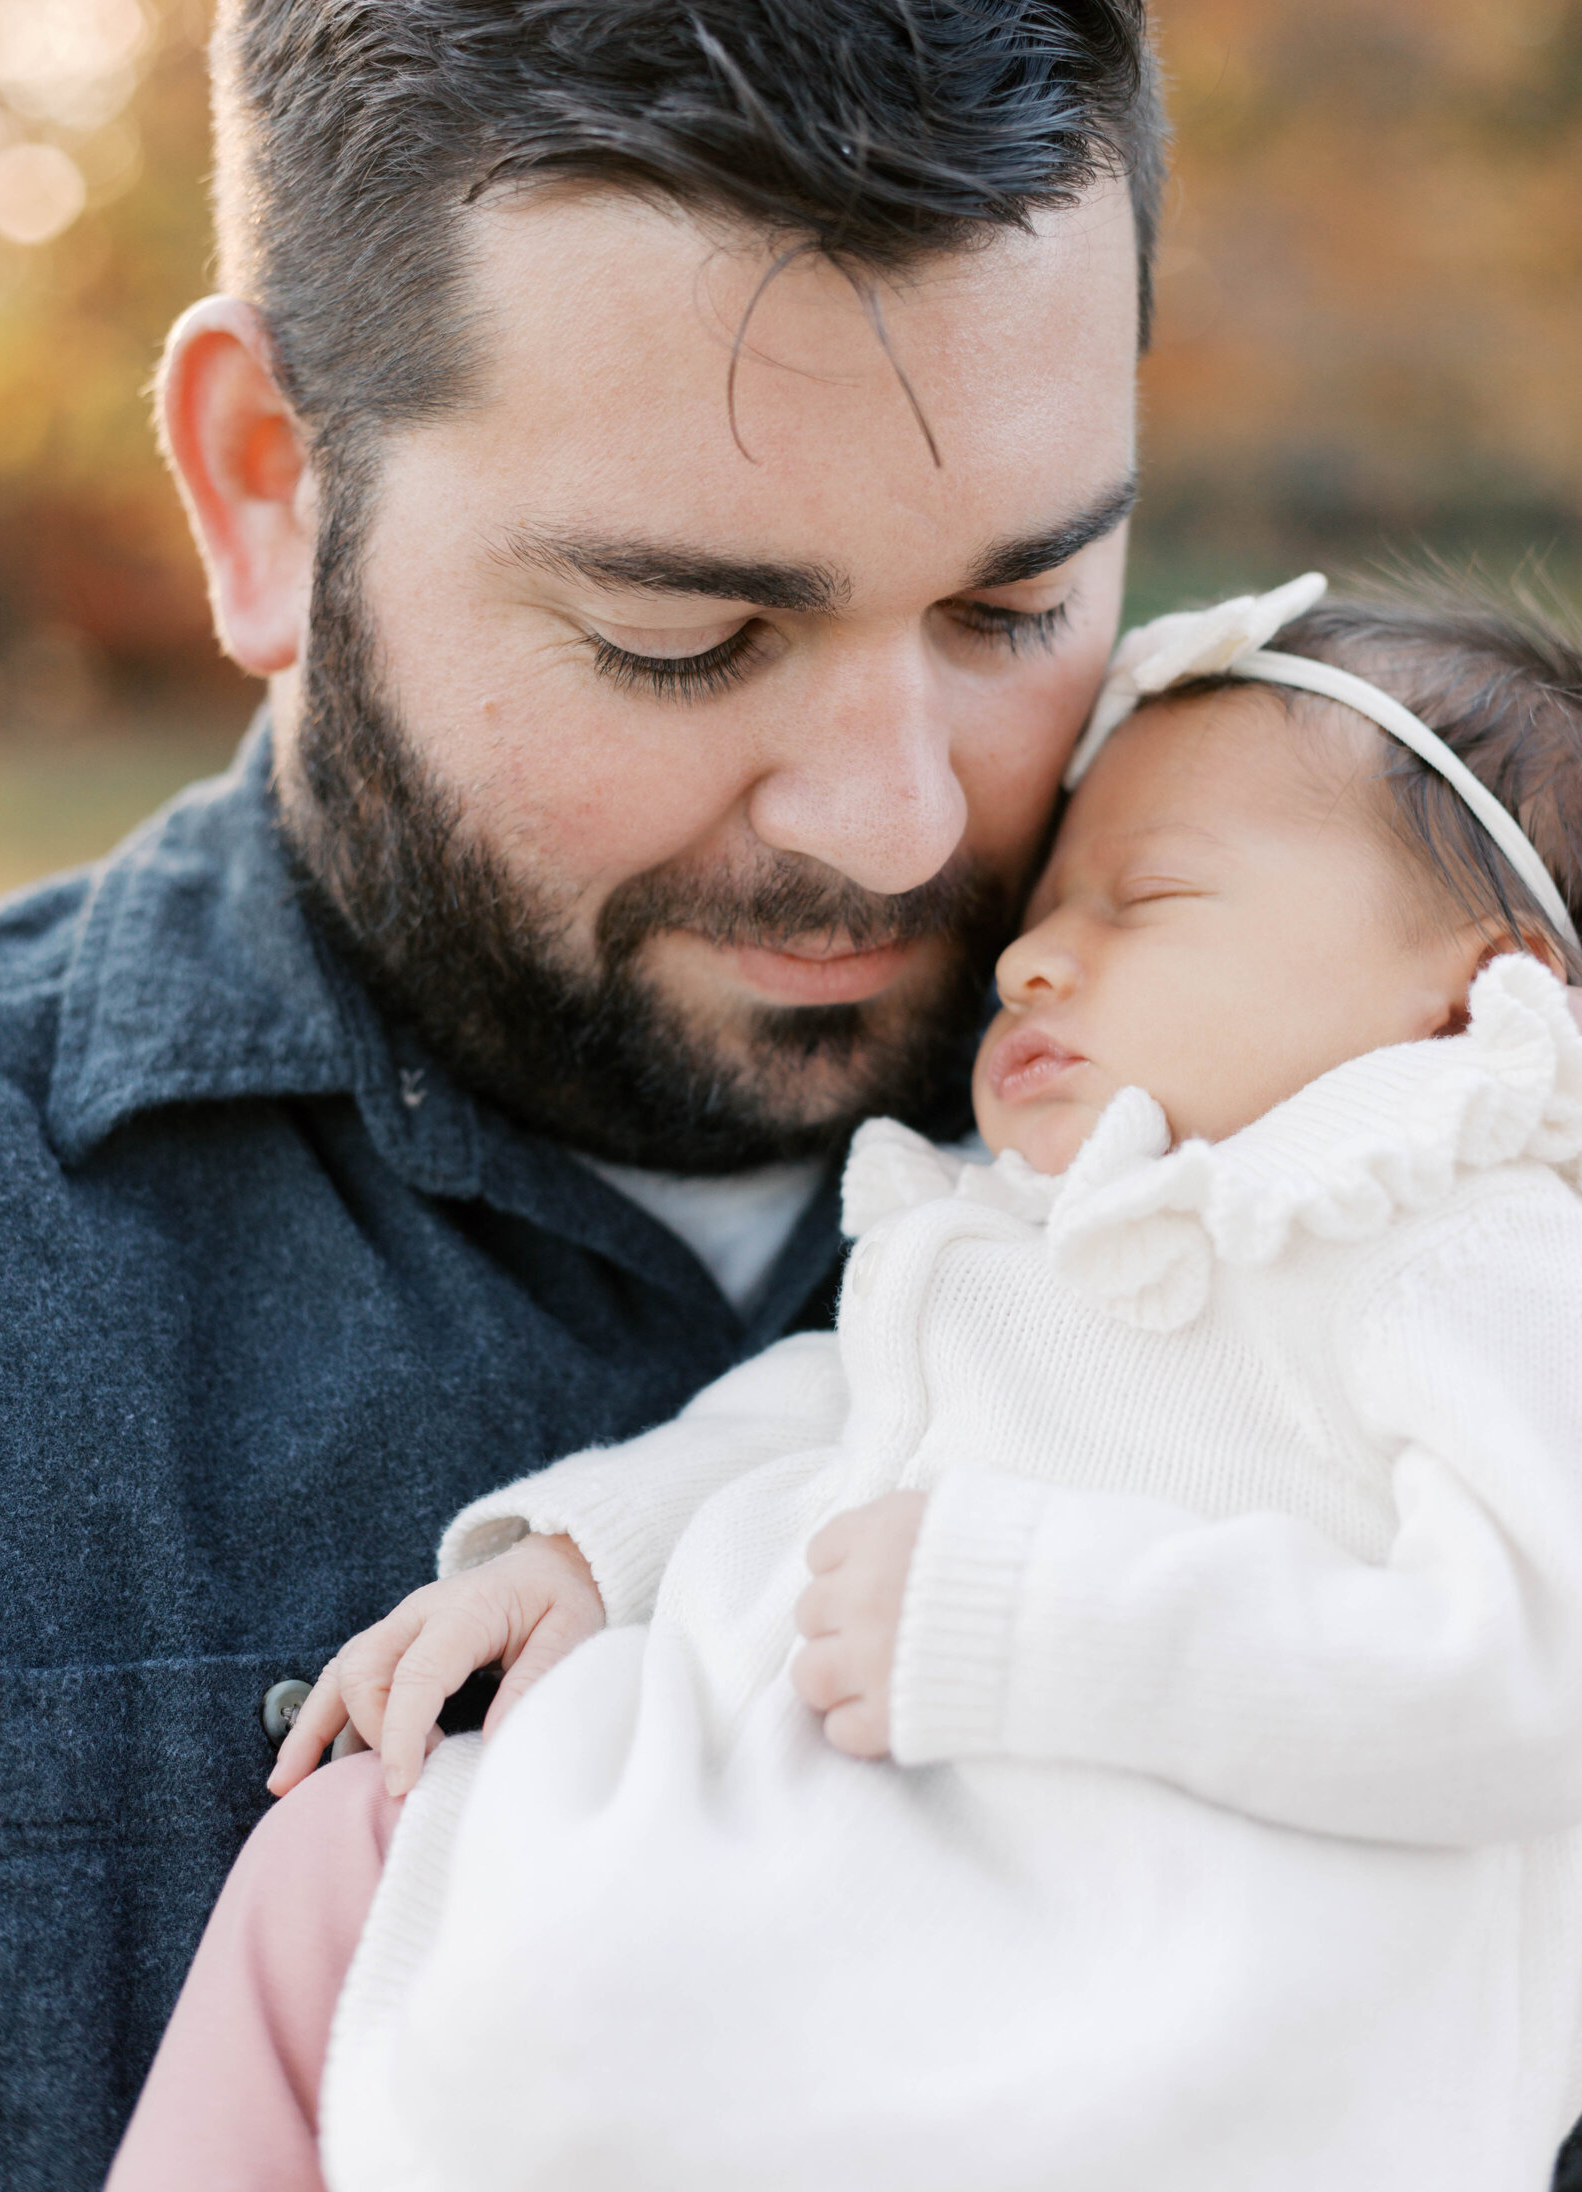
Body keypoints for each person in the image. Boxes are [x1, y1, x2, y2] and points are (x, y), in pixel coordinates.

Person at [0, 0, 1167, 2183]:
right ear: (262, 486)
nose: (894, 820)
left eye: (1013, 607)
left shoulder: (1423, 1157)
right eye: (682, 633)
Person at [111, 582, 1582, 2191]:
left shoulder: (1461, 1246)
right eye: (1047, 904)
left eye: (1149, 897)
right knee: (358, 1850)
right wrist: (593, 1554)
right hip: (839, 1917)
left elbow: (1538, 1659)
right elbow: (838, 1403)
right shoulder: (1013, 1228)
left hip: (1168, 2003)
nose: (1033, 959)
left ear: (1476, 999)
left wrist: (1036, 1613)